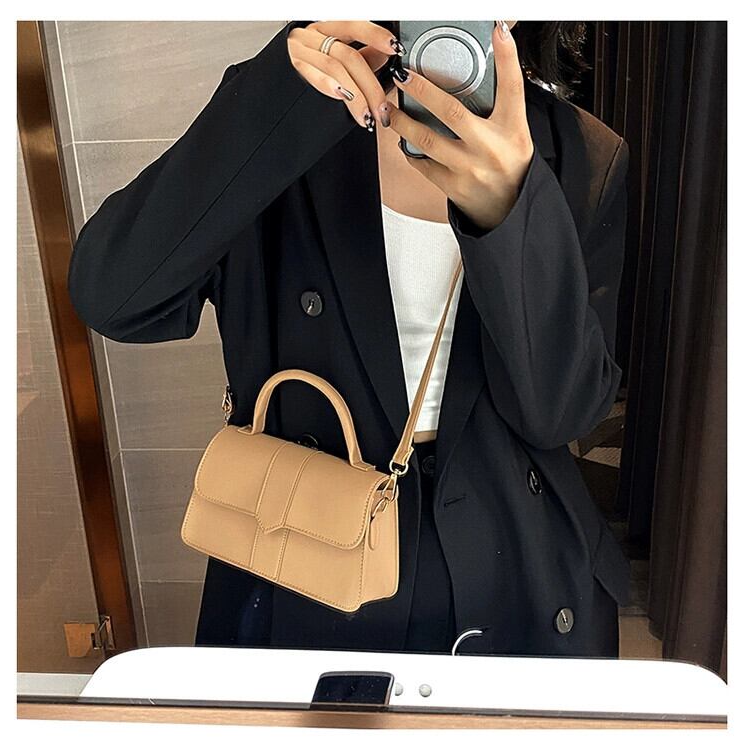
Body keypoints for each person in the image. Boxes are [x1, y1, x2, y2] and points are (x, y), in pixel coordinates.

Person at [67, 20, 632, 657]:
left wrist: (513, 215)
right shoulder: (291, 116)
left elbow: (563, 414)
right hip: (306, 543)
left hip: (516, 562)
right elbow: (115, 299)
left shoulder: (580, 152)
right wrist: (274, 99)